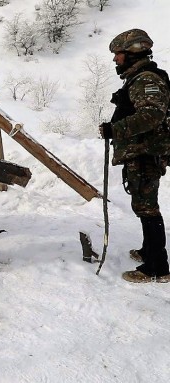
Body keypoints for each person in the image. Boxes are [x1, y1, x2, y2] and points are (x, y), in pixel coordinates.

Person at [99, 29, 170, 283]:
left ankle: (157, 268)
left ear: (132, 53)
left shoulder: (146, 79)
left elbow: (152, 115)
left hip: (146, 152)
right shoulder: (137, 79)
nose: (115, 60)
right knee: (143, 204)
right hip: (141, 152)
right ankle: (148, 251)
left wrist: (114, 129)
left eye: (118, 55)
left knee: (148, 208)